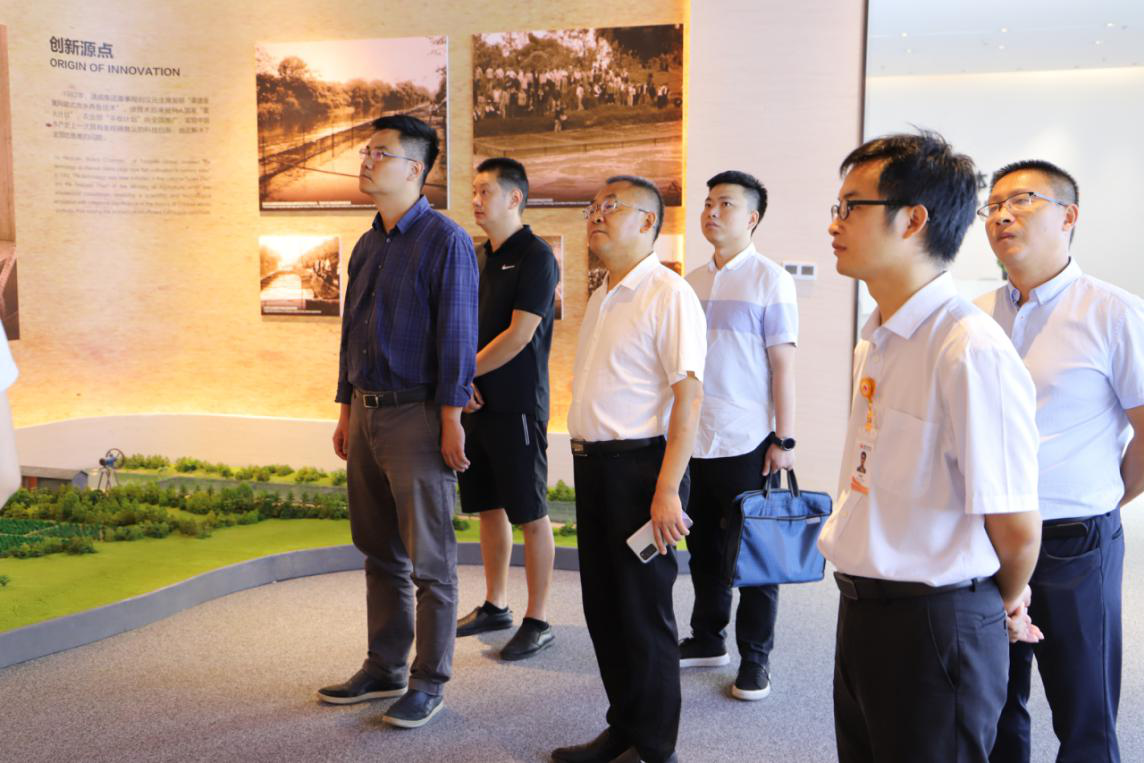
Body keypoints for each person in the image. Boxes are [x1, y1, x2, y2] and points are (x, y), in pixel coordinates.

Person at [818, 131, 1043, 763]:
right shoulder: (878, 338)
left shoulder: (969, 348)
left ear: (913, 220)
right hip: (863, 609)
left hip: (936, 624)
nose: (834, 224)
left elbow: (1017, 527)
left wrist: (994, 605)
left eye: (850, 207)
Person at [976, 160, 1144, 763]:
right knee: (994, 705)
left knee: (1084, 711)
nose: (1001, 215)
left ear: (1069, 216)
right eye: (992, 205)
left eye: (1021, 200)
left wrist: (1106, 497)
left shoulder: (1114, 311)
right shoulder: (977, 315)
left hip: (1074, 542)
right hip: (987, 538)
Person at [317, 114, 479, 730]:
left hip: (418, 414)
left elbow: (457, 339)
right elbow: (349, 335)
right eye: (366, 151)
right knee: (378, 550)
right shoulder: (367, 244)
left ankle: (429, 680)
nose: (365, 161)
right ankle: (383, 666)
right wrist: (344, 410)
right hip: (364, 413)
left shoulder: (445, 240)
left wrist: (451, 418)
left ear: (415, 168)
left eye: (379, 153)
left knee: (431, 561)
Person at [552, 175, 706, 763]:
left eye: (610, 206)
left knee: (643, 614)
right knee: (604, 608)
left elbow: (689, 399)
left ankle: (657, 748)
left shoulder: (669, 293)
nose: (596, 215)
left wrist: (667, 489)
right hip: (595, 468)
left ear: (648, 222)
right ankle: (625, 727)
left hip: (643, 473)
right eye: (594, 207)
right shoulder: (603, 294)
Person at [680, 170, 798, 701]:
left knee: (754, 555)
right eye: (708, 203)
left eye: (725, 204)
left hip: (748, 438)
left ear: (752, 218)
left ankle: (756, 658)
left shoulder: (772, 279)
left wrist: (784, 440)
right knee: (704, 548)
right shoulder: (691, 281)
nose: (711, 212)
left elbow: (784, 367)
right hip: (694, 437)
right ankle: (707, 638)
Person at [455, 157, 560, 661]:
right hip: (474, 404)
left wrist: (463, 376)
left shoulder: (537, 256)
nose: (476, 200)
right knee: (488, 507)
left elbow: (520, 335)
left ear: (515, 198)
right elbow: (458, 327)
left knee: (531, 514)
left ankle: (538, 619)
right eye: (473, 191)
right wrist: (462, 383)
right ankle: (496, 605)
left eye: (485, 191)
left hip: (518, 406)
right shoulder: (475, 256)